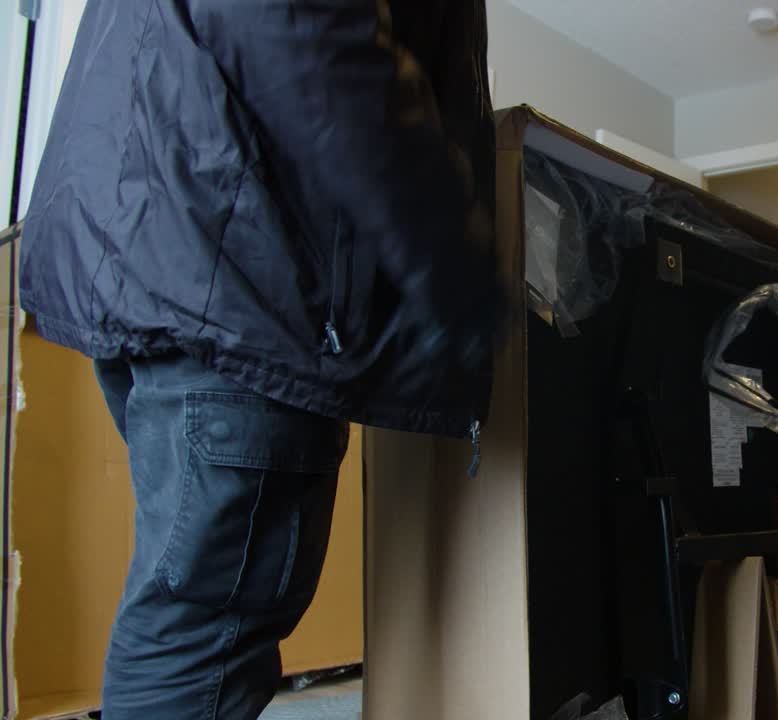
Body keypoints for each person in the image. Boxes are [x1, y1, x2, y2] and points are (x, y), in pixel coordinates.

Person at [18, 1, 498, 718]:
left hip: (175, 248)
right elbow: (307, 29)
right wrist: (451, 258)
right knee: (205, 633)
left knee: (187, 614)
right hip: (245, 278)